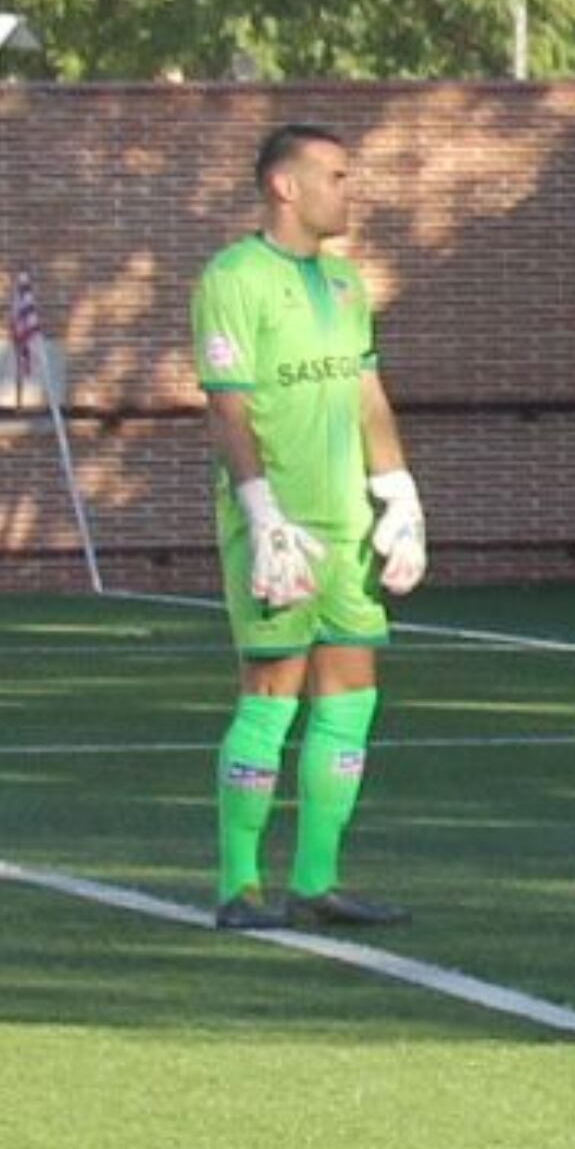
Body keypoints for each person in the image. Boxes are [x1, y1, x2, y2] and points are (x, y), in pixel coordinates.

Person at [191, 123, 428, 931]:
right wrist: (261, 515)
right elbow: (228, 405)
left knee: (352, 697)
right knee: (271, 695)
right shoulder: (233, 278)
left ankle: (316, 881)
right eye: (333, 175)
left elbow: (367, 395)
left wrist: (399, 495)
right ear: (284, 186)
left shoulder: (346, 284)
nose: (346, 189)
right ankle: (238, 887)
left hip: (347, 525)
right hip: (279, 529)